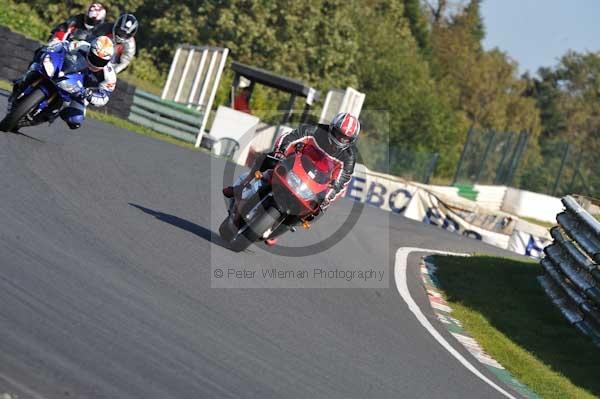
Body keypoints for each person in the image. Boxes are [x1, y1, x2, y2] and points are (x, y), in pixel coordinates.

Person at [222, 112, 360, 245]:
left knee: (315, 211)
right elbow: (290, 137)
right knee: (267, 159)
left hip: (313, 184)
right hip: (293, 166)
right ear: (332, 128)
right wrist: (280, 153)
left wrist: (328, 197)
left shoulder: (348, 157)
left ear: (351, 140)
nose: (340, 139)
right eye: (338, 134)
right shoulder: (315, 130)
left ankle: (277, 229)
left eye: (345, 138)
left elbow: (341, 181)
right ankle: (241, 187)